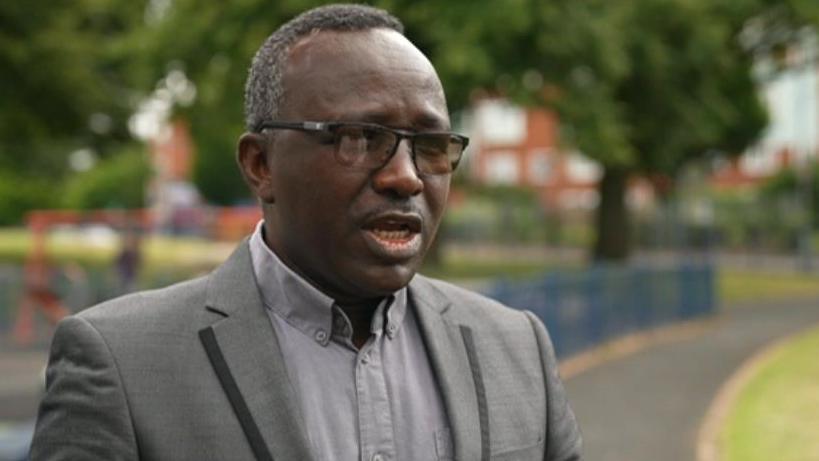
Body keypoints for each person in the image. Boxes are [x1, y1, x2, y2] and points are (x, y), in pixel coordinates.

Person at [30, 4, 582, 460]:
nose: (405, 176)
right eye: (359, 138)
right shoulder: (122, 364)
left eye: (431, 147)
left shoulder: (516, 348)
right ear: (261, 165)